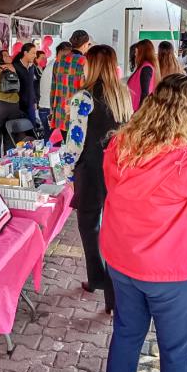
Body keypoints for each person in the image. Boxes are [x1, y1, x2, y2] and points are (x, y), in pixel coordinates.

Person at [101, 74, 187, 372]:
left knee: (125, 335)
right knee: (174, 351)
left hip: (122, 258)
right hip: (168, 271)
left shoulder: (121, 142)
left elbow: (113, 188)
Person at [62, 45, 133, 313]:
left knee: (89, 229)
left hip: (91, 170)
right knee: (113, 235)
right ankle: (111, 296)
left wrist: (68, 171)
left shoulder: (83, 97)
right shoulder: (123, 94)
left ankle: (97, 279)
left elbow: (75, 140)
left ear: (90, 66)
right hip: (118, 171)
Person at [50, 30, 91, 138]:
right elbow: (86, 89)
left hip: (60, 111)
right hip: (76, 111)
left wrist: (52, 109)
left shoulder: (58, 61)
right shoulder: (84, 61)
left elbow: (53, 88)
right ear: (85, 44)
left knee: (64, 149)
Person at [40, 42, 72, 138]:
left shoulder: (54, 64)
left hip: (47, 108)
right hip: (50, 109)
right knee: (53, 143)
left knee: (51, 142)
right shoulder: (57, 66)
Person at [126, 39, 160, 111]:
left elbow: (145, 92)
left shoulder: (146, 68)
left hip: (138, 111)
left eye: (136, 51)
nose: (135, 54)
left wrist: (140, 113)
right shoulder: (145, 67)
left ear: (142, 52)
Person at [12, 42, 38, 127]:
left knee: (32, 129)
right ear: (25, 53)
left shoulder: (32, 67)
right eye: (33, 53)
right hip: (18, 105)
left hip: (31, 104)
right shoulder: (14, 66)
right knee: (21, 131)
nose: (35, 55)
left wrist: (34, 100)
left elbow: (32, 86)